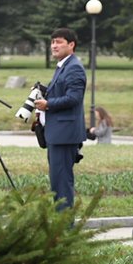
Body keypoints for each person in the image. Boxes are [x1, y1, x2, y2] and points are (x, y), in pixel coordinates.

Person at [32, 28, 87, 209]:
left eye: (59, 42)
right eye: (52, 42)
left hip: (65, 135)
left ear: (71, 45)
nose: (54, 46)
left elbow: (74, 98)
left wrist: (47, 104)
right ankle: (60, 225)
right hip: (56, 134)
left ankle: (64, 229)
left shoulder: (74, 68)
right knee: (57, 181)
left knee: (62, 182)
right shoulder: (63, 66)